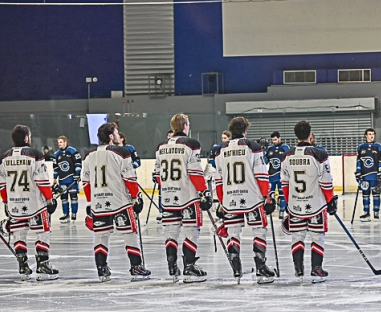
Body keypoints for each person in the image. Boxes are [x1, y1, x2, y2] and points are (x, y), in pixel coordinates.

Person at [81, 123, 148, 282]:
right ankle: (136, 266)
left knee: (101, 236)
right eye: (116, 133)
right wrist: (135, 196)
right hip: (120, 202)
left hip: (99, 203)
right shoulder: (122, 152)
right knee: (129, 234)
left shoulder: (89, 155)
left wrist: (92, 201)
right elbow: (130, 178)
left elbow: (85, 182)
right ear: (111, 136)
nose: (118, 135)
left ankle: (101, 268)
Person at [213, 117, 276, 284]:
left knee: (233, 233)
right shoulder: (252, 147)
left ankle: (236, 267)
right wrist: (267, 195)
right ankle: (261, 266)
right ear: (245, 131)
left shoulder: (220, 150)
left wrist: (221, 200)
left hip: (230, 198)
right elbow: (262, 175)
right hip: (252, 198)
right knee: (259, 231)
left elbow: (218, 180)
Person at [154, 114, 212, 282]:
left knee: (171, 233)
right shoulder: (191, 144)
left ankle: (172, 268)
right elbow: (195, 172)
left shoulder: (161, 146)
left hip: (168, 197)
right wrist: (204, 192)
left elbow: (158, 176)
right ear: (185, 125)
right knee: (191, 231)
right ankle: (189, 267)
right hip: (188, 196)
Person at [0, 125, 59, 281]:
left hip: (15, 205)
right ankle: (43, 266)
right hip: (35, 204)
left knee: (19, 234)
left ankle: (23, 267)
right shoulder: (35, 155)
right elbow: (42, 180)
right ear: (26, 138)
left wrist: (6, 202)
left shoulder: (5, 157)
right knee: (43, 232)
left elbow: (2, 184)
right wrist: (49, 198)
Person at [280, 121, 335, 282]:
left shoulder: (287, 155)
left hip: (295, 205)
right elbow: (326, 182)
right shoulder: (319, 154)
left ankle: (298, 269)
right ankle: (316, 269)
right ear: (310, 134)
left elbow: (284, 183)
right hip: (316, 205)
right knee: (317, 236)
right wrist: (330, 200)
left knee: (297, 236)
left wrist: (289, 202)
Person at [355, 128, 381, 222]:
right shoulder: (361, 147)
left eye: (373, 134)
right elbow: (359, 161)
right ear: (366, 135)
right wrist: (358, 172)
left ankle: (376, 212)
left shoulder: (379, 147)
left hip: (375, 175)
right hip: (364, 175)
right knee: (365, 195)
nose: (371, 136)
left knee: (376, 194)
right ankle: (366, 213)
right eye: (369, 134)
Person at [53, 135, 82, 223]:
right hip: (62, 179)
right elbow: (55, 168)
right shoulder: (56, 154)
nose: (59, 144)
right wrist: (54, 178)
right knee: (64, 198)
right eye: (58, 143)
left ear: (65, 142)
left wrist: (77, 174)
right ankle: (66, 214)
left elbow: (78, 163)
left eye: (61, 142)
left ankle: (74, 213)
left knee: (73, 196)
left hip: (72, 179)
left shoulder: (72, 151)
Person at [265, 131, 291, 219]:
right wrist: (263, 151)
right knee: (270, 195)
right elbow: (265, 161)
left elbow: (289, 161)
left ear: (280, 138)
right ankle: (271, 210)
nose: (274, 142)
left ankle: (282, 211)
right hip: (271, 176)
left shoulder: (285, 147)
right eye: (273, 140)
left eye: (276, 139)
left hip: (281, 176)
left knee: (282, 195)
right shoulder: (269, 149)